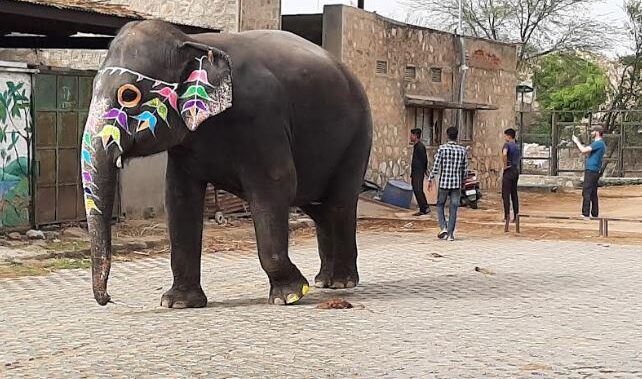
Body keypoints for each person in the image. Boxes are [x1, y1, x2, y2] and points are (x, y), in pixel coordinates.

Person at [428, 127, 468, 241]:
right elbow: (465, 169)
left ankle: (443, 227)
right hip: (456, 184)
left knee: (440, 205)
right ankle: (450, 234)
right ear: (457, 136)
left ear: (447, 135)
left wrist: (430, 178)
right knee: (453, 208)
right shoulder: (462, 150)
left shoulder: (442, 149)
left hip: (444, 183)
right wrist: (463, 182)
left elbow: (436, 166)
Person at [572, 125, 606, 219]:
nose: (591, 133)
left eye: (593, 131)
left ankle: (585, 213)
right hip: (594, 169)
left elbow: (583, 150)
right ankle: (594, 213)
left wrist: (577, 141)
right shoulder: (599, 144)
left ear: (597, 132)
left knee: (586, 191)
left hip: (592, 169)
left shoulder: (598, 143)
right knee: (593, 192)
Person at [502, 128, 520, 224]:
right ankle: (516, 215)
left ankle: (507, 216)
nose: (505, 138)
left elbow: (504, 154)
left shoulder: (507, 145)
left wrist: (505, 166)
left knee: (506, 194)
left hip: (508, 170)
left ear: (509, 136)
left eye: (505, 136)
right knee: (514, 194)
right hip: (515, 170)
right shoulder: (517, 146)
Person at [409, 128, 430, 216]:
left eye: (412, 135)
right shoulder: (416, 146)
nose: (410, 137)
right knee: (416, 189)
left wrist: (424, 170)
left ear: (416, 136)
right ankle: (423, 207)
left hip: (419, 172)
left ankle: (424, 208)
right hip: (415, 171)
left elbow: (424, 160)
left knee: (418, 189)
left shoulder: (420, 147)